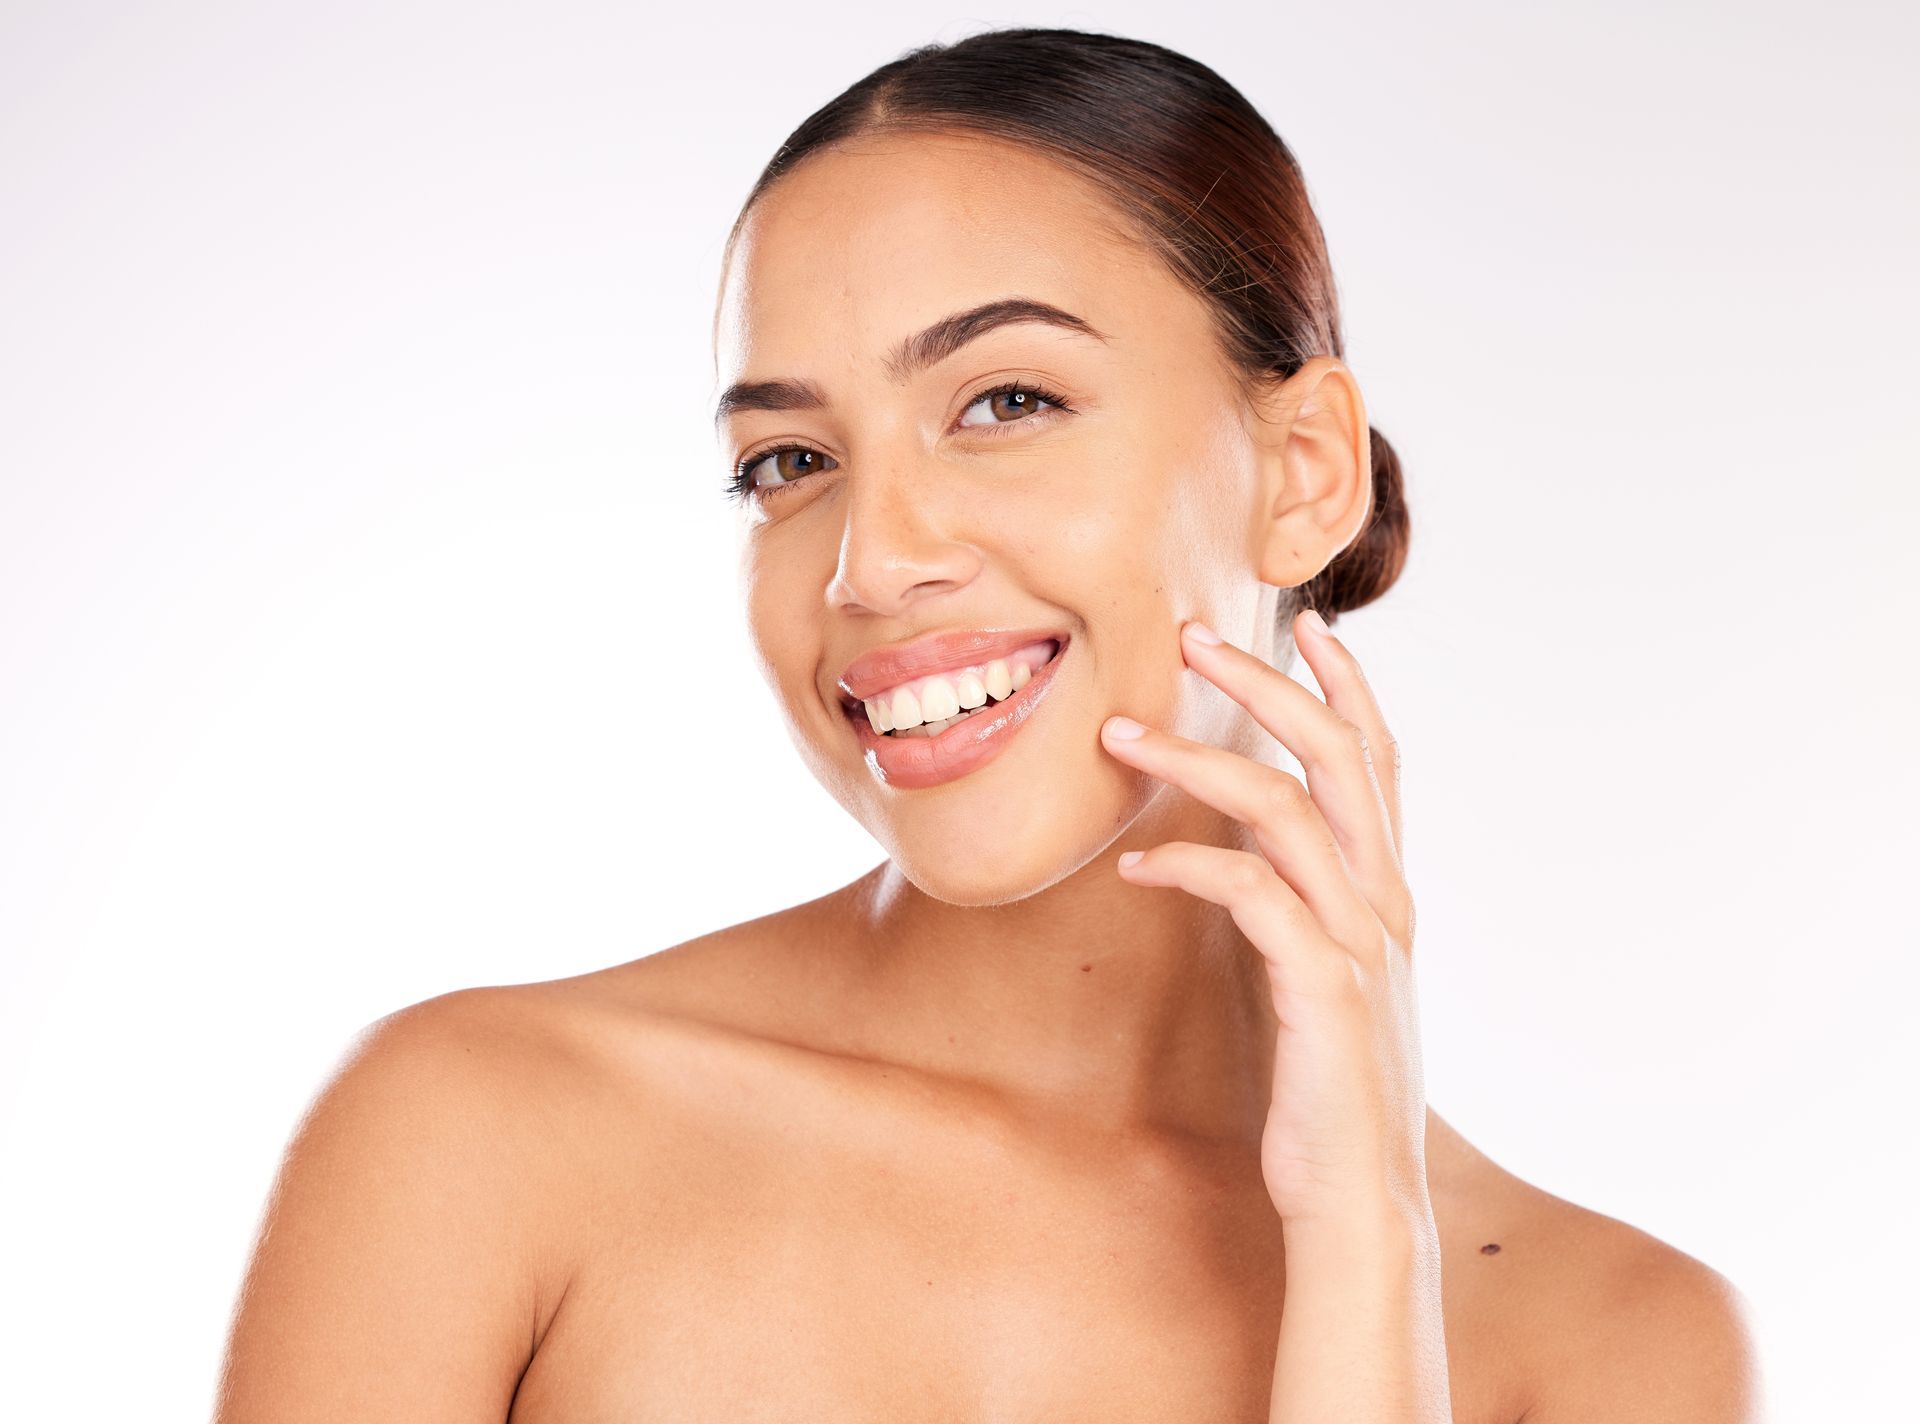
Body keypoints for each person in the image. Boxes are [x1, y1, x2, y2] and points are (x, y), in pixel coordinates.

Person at [214, 27, 1760, 1422]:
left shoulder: (1615, 1346)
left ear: (1303, 472)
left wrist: (1365, 1249)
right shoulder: (479, 1141)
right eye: (788, 462)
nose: (871, 560)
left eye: (1005, 402)